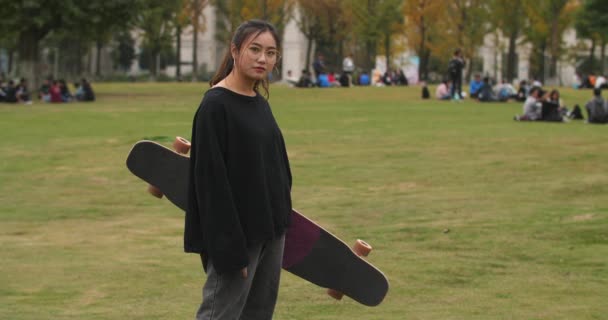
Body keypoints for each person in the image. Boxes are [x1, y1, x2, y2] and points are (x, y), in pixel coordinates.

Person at [185, 19, 292, 320]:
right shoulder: (215, 106)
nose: (263, 59)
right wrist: (228, 250)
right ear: (235, 51)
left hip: (270, 229)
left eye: (270, 53)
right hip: (237, 237)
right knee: (220, 314)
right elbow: (210, 184)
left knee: (258, 314)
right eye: (254, 49)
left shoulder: (258, 102)